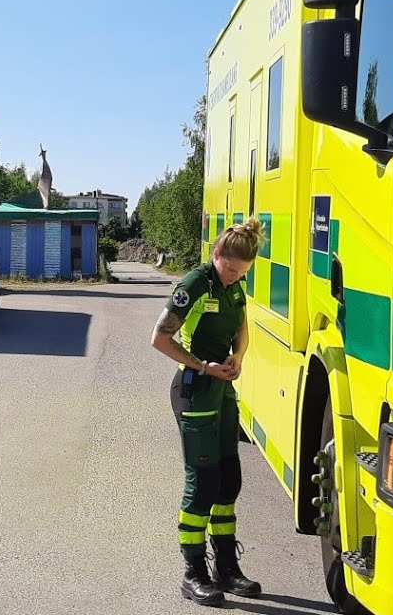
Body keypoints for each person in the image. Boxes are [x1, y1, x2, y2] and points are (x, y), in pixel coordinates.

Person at [149, 218, 265, 607]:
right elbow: (159, 338)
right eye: (230, 269)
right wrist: (202, 366)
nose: (234, 277)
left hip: (222, 389)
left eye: (242, 272)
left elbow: (243, 330)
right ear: (216, 255)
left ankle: (227, 568)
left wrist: (238, 357)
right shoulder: (194, 285)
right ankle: (193, 573)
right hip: (194, 389)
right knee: (202, 485)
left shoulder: (235, 288)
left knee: (229, 480)